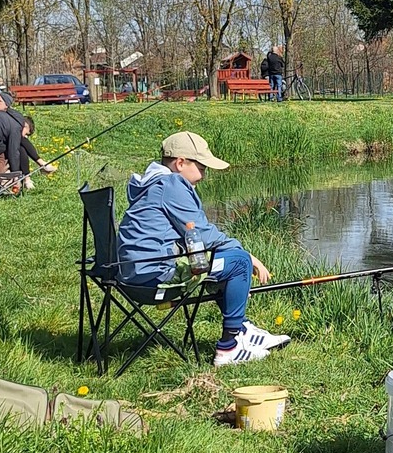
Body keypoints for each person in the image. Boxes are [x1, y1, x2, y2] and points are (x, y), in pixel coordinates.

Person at [117, 130, 290, 368]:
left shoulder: (152, 183)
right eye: (201, 168)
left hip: (133, 275)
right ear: (180, 163)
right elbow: (203, 234)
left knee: (222, 261)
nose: (204, 175)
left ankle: (242, 329)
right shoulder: (171, 185)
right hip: (155, 278)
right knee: (239, 262)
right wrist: (249, 257)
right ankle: (229, 348)